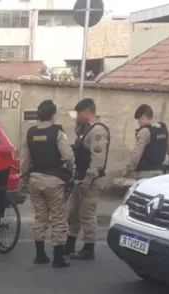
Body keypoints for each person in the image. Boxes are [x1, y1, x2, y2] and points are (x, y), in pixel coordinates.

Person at [22, 99, 75, 268]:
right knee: (58, 218)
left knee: (40, 217)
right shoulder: (57, 133)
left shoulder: (30, 133)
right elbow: (67, 156)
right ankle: (58, 258)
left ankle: (40, 254)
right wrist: (71, 167)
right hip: (54, 181)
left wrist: (24, 177)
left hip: (35, 180)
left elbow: (25, 160)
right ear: (53, 116)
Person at [65, 98, 110, 260]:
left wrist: (88, 180)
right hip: (80, 177)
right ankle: (70, 242)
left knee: (87, 214)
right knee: (73, 213)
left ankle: (89, 248)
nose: (76, 116)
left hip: (91, 180)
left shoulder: (98, 131)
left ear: (86, 112)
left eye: (78, 113)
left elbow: (97, 159)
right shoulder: (85, 129)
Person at [118, 104, 169, 183]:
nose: (139, 123)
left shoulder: (144, 132)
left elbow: (136, 156)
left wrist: (125, 175)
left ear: (142, 117)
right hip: (160, 174)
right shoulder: (163, 130)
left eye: (139, 120)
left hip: (144, 175)